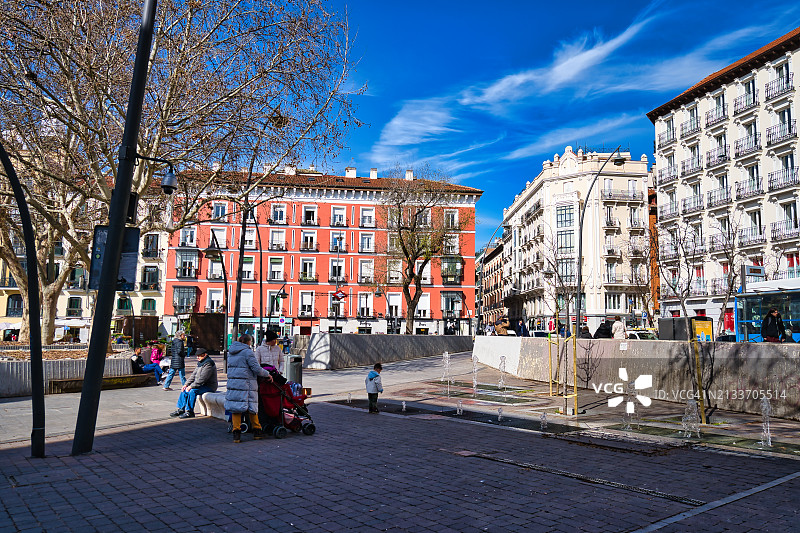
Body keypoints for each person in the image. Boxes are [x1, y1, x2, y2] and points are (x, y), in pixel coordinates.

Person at [225, 334, 272, 443]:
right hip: (247, 383)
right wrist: (267, 374)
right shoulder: (247, 352)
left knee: (236, 407)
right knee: (252, 406)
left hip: (234, 383)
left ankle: (236, 433)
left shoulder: (231, 352)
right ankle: (257, 431)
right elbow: (256, 368)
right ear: (248, 342)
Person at [170, 348, 218, 419]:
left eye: (199, 356)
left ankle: (190, 411)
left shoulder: (208, 364)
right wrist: (186, 384)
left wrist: (191, 386)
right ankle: (181, 409)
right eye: (197, 356)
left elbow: (202, 379)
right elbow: (193, 375)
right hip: (200, 385)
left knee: (192, 391)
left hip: (209, 386)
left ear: (205, 355)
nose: (197, 357)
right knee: (184, 389)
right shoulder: (200, 363)